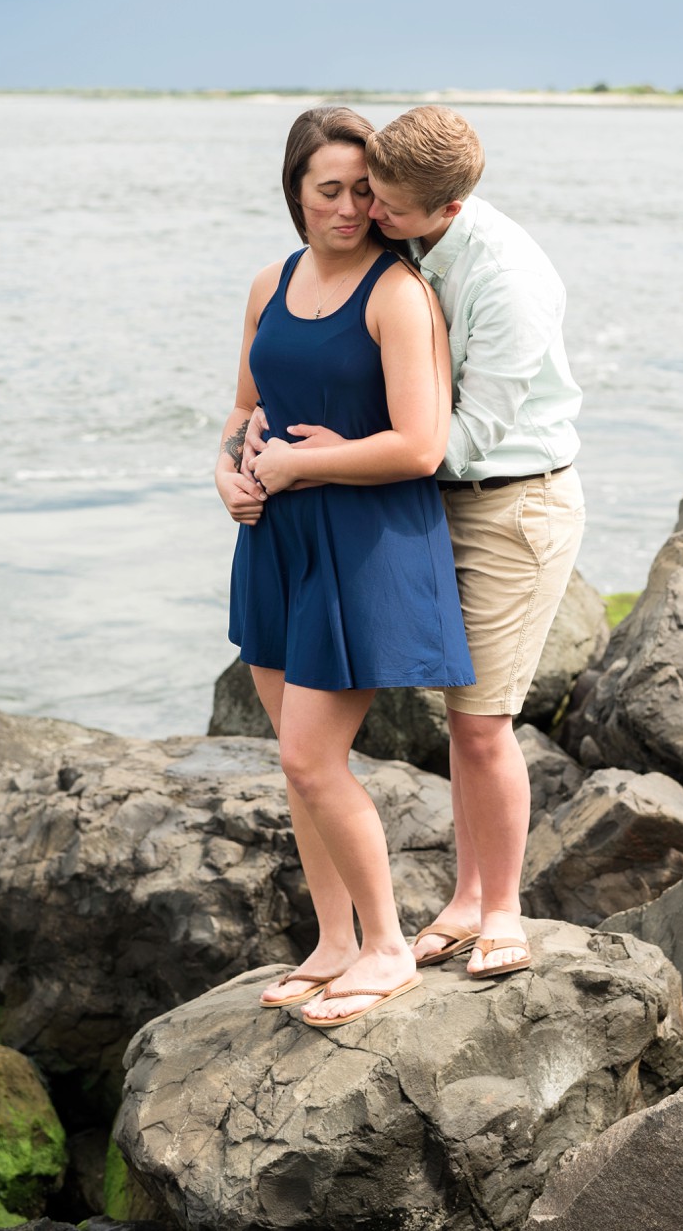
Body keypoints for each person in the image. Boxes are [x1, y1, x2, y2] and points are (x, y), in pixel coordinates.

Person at [248, 106, 584, 981]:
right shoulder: (394, 251)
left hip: (510, 503)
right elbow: (260, 396)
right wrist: (247, 465)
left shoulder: (501, 281)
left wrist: (318, 464)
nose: (367, 214)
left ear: (445, 207)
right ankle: (462, 900)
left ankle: (500, 908)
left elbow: (445, 442)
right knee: (451, 725)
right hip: (417, 506)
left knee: (479, 724)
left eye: (382, 201)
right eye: (349, 191)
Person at [215, 106, 474, 1027]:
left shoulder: (398, 295)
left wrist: (300, 464)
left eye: (365, 191)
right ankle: (332, 942)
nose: (350, 208)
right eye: (329, 190)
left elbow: (419, 444)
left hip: (367, 546)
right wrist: (228, 474)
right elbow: (243, 414)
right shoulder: (268, 284)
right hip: (277, 541)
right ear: (295, 190)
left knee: (310, 756)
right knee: (299, 769)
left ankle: (388, 947)